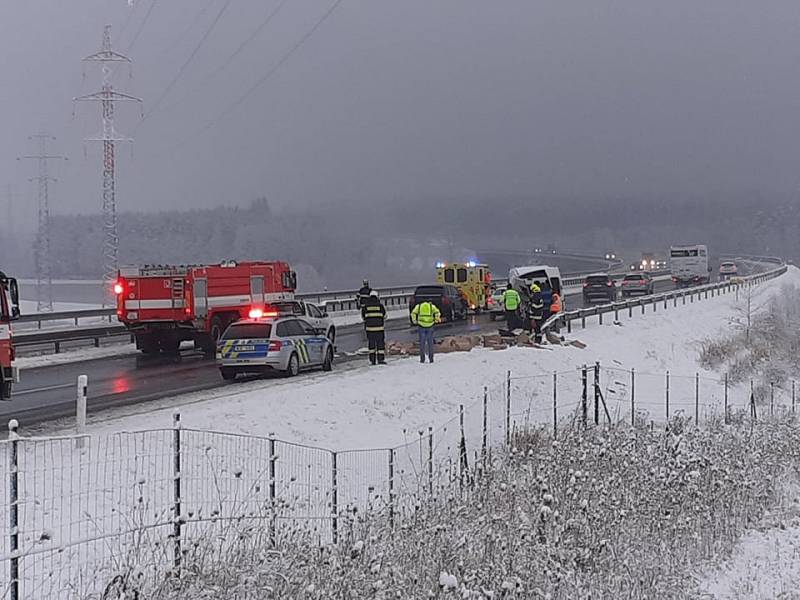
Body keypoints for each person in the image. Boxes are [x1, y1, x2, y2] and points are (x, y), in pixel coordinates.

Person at [361, 290, 387, 365]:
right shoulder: (380, 306)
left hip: (370, 329)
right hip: (379, 329)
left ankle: (372, 360)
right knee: (380, 345)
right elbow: (385, 316)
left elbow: (363, 317)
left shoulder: (366, 306)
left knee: (371, 345)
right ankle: (380, 359)